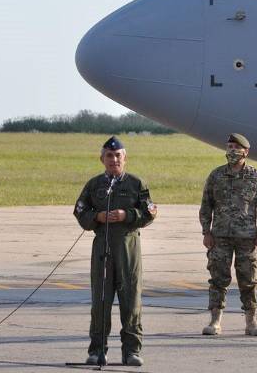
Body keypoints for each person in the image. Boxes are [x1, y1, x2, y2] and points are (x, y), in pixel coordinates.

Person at [73, 136, 157, 366]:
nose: (113, 160)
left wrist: (127, 215)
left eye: (117, 155)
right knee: (101, 301)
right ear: (102, 159)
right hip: (102, 248)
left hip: (128, 249)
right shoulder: (94, 185)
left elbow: (149, 212)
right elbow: (80, 211)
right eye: (109, 156)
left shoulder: (135, 184)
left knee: (131, 301)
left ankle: (131, 351)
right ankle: (97, 350)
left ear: (125, 158)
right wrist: (97, 217)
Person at [199, 133, 257, 336]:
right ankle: (215, 321)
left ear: (246, 152)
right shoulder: (216, 175)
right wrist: (206, 231)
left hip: (247, 238)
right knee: (217, 279)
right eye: (229, 147)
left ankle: (251, 322)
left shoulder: (256, 176)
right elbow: (206, 206)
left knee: (248, 280)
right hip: (219, 236)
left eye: (236, 147)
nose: (232, 151)